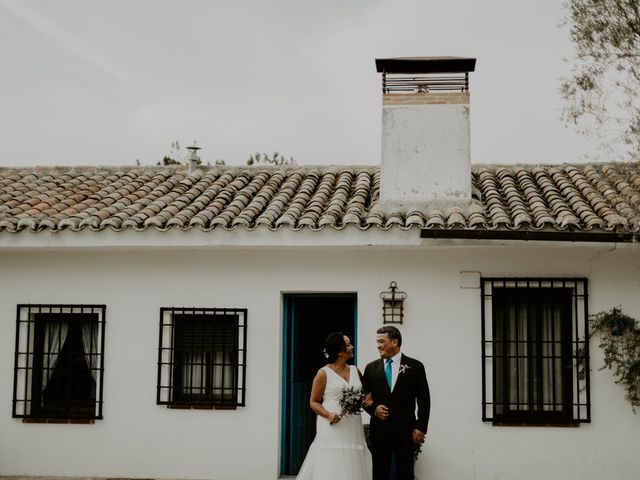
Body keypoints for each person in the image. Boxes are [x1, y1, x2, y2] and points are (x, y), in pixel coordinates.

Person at [296, 332, 372, 480]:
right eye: (348, 344)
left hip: (352, 423)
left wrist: (367, 398)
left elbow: (366, 393)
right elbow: (313, 401)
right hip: (331, 423)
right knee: (332, 458)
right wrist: (328, 415)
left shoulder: (355, 370)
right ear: (339, 352)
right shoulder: (323, 373)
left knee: (353, 458)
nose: (352, 347)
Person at [362, 326, 430, 480]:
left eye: (381, 341)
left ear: (394, 342)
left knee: (405, 471)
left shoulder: (415, 366)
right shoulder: (371, 368)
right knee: (380, 470)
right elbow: (363, 395)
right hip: (379, 429)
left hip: (406, 429)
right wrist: (374, 409)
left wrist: (421, 426)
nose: (378, 345)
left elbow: (424, 398)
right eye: (377, 342)